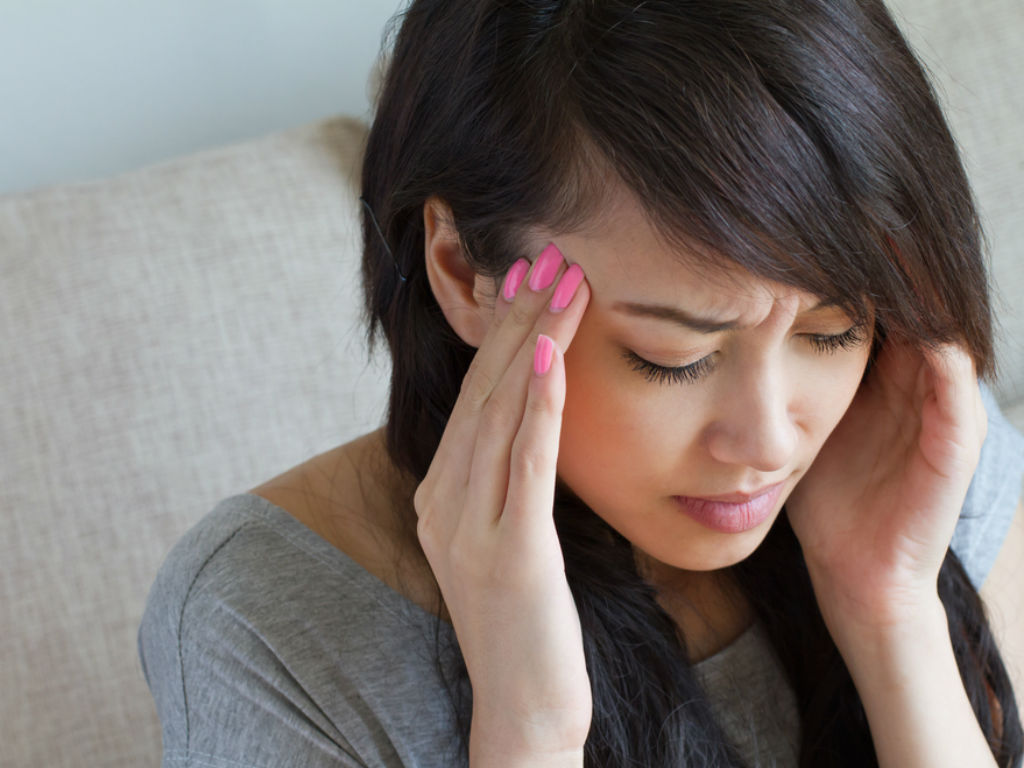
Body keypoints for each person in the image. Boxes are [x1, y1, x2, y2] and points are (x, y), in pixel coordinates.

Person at [138, 0, 1024, 766]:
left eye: (833, 331)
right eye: (673, 356)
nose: (771, 441)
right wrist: (530, 735)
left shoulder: (901, 445)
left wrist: (888, 611)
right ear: (460, 271)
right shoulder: (268, 621)